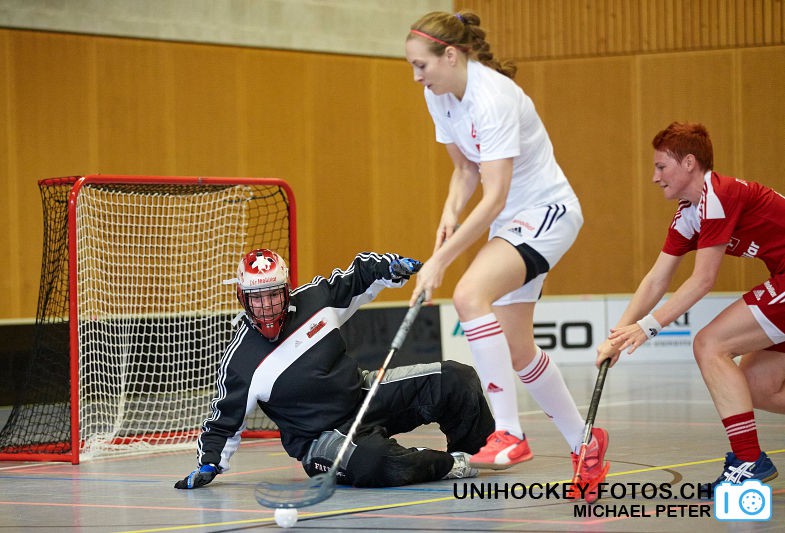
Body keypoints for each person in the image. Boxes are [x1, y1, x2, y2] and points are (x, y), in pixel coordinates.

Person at [404, 10, 609, 502]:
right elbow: (464, 172)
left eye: (421, 65)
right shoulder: (440, 95)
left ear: (450, 56)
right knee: (518, 350)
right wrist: (449, 214)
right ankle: (585, 442)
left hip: (546, 213)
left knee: (469, 293)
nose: (416, 77)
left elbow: (494, 195)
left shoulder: (493, 97)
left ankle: (510, 432)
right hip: (512, 222)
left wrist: (440, 260)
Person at [175, 249, 495, 490]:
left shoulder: (316, 300)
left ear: (286, 291)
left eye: (274, 294)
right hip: (320, 441)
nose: (267, 305)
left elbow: (360, 274)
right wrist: (209, 465)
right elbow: (223, 423)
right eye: (257, 298)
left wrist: (390, 267)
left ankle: (480, 452)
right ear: (242, 299)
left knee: (457, 378)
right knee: (374, 462)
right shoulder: (240, 361)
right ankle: (451, 465)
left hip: (364, 397)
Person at [597, 121, 782, 491]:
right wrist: (617, 336)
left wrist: (646, 327)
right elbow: (657, 278)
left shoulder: (719, 195)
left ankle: (748, 461)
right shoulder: (690, 212)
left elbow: (702, 280)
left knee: (709, 344)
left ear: (689, 163)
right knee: (756, 386)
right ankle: (749, 460)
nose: (654, 177)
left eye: (661, 166)